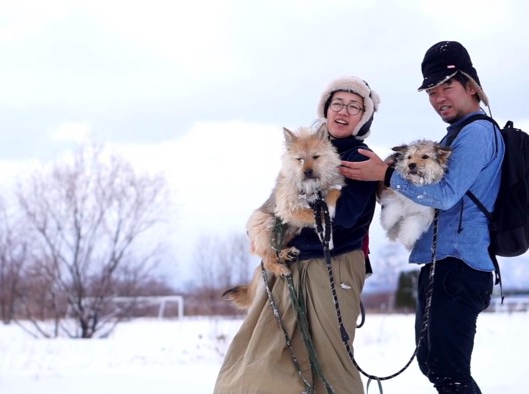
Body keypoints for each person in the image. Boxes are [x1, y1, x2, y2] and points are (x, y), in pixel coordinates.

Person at [339, 41, 503, 393]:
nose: (439, 97)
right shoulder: (455, 134)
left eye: (447, 87)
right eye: (431, 91)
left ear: (470, 86)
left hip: (459, 267)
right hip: (441, 265)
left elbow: (444, 195)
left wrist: (383, 175)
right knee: (434, 365)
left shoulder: (476, 133)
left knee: (449, 370)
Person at [213, 76, 381, 394]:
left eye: (354, 107)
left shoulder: (359, 158)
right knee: (263, 354)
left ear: (363, 117)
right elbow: (277, 201)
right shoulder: (302, 151)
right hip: (291, 264)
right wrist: (260, 225)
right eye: (338, 104)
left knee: (331, 364)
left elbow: (344, 218)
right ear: (326, 109)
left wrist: (306, 193)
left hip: (335, 266)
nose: (343, 112)